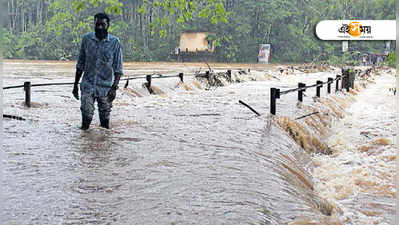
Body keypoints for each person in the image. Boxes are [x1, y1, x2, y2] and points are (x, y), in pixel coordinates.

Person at [72, 12, 123, 130]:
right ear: (94, 25)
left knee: (105, 123)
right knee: (87, 116)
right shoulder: (86, 40)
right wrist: (75, 85)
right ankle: (84, 143)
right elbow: (80, 64)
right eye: (97, 25)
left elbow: (118, 68)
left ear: (108, 25)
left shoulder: (114, 42)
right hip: (88, 84)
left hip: (106, 87)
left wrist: (114, 88)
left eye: (102, 25)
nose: (99, 27)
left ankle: (104, 145)